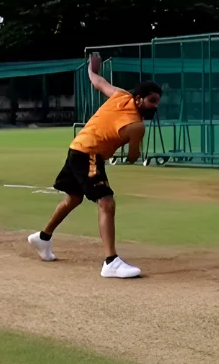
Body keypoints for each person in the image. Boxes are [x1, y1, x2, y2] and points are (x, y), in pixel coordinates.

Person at [28, 55, 161, 278]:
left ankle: (43, 238)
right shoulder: (137, 126)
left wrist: (92, 69)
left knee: (73, 198)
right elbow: (132, 157)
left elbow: (98, 82)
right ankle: (111, 262)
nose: (156, 106)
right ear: (139, 99)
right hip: (88, 153)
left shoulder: (121, 95)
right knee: (106, 202)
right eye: (152, 100)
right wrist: (131, 146)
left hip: (77, 147)